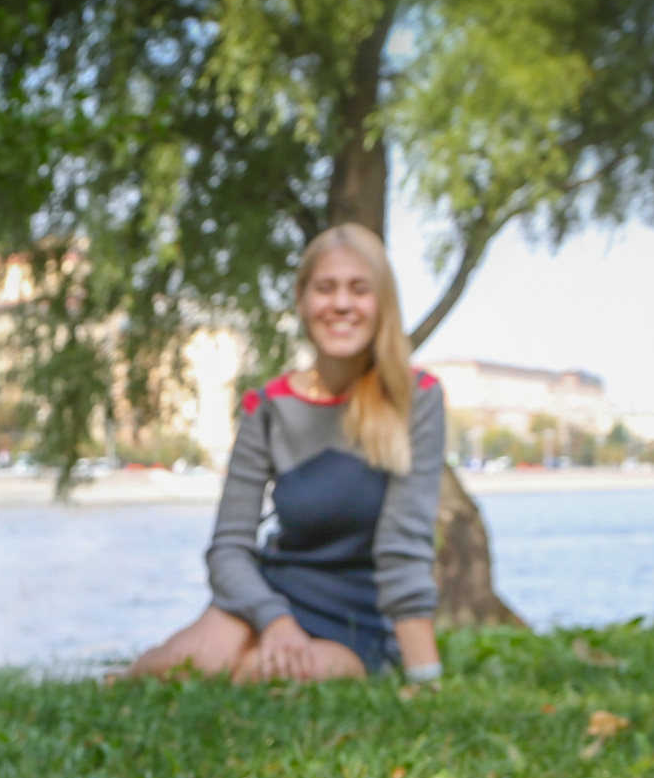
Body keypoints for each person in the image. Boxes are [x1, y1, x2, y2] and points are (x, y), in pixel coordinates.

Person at [128, 224, 446, 685]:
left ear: (383, 304)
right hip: (275, 599)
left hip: (361, 616)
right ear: (302, 301)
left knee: (261, 675)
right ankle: (122, 680)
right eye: (325, 288)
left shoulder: (417, 397)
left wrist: (425, 677)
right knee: (171, 666)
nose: (341, 304)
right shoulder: (268, 405)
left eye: (360, 289)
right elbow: (228, 549)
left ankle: (270, 660)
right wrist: (275, 621)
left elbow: (404, 548)